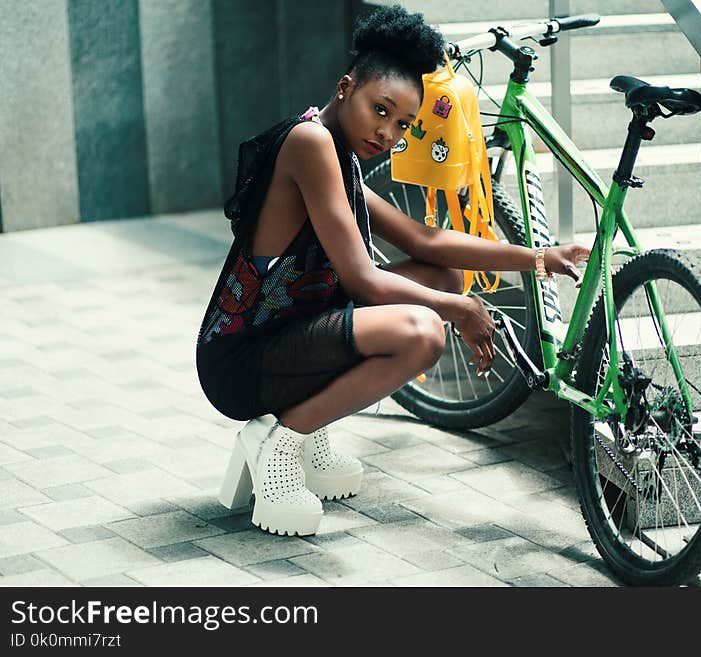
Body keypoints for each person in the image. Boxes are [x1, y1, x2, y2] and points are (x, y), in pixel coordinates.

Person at [196, 4, 591, 537]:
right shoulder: (310, 143)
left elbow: (424, 239)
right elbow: (362, 277)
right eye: (380, 110)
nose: (387, 133)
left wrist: (541, 257)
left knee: (443, 275)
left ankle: (308, 432)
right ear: (345, 88)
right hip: (243, 357)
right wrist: (459, 312)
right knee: (422, 330)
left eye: (402, 124)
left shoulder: (342, 154)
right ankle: (285, 442)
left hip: (296, 334)